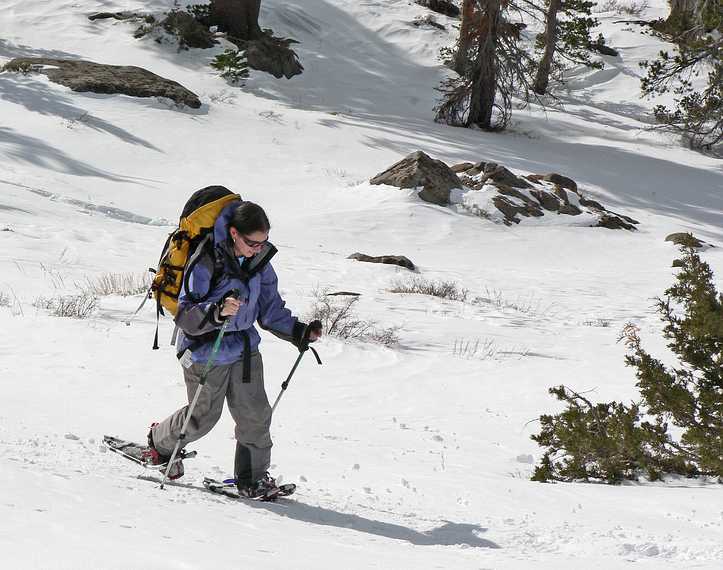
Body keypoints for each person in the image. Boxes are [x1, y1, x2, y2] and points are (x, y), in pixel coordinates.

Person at [146, 200, 321, 498]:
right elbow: (186, 314)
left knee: (256, 414)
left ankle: (252, 479)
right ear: (234, 233)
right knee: (202, 418)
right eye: (252, 242)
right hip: (205, 348)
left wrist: (299, 331)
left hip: (244, 346)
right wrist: (216, 312)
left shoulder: (260, 261)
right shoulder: (206, 260)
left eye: (263, 242)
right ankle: (159, 442)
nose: (258, 248)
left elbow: (270, 309)